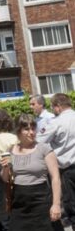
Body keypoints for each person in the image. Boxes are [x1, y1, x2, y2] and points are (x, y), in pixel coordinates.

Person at [1, 114, 65, 231]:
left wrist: (55, 204)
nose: (31, 132)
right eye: (26, 129)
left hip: (41, 199)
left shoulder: (44, 149)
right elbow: (5, 179)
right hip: (20, 202)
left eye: (33, 128)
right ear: (18, 131)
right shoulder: (11, 150)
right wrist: (5, 167)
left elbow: (55, 178)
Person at [44, 93, 75, 223]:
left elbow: (39, 141)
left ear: (58, 106)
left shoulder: (56, 122)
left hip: (68, 170)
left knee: (73, 208)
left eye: (52, 107)